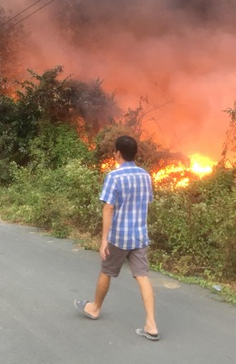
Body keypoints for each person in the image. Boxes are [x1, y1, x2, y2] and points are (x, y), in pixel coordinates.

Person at [74, 135, 160, 341]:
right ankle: (151, 324)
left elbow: (108, 207)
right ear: (135, 153)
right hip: (139, 235)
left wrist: (104, 239)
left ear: (117, 153)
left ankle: (94, 308)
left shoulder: (114, 176)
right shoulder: (145, 176)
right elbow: (146, 203)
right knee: (142, 276)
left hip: (119, 237)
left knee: (107, 271)